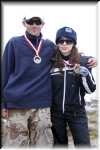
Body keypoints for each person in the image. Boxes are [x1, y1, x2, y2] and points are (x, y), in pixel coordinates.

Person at [1, 16, 97, 147]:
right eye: (30, 22)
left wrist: (88, 60)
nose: (34, 25)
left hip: (44, 106)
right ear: (24, 23)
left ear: (43, 24)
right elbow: (4, 73)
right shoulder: (14, 43)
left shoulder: (49, 46)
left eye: (38, 22)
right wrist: (3, 104)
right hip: (18, 104)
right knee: (15, 145)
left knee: (45, 145)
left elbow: (68, 54)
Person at [50, 26, 96, 147]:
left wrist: (84, 73)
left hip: (77, 112)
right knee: (59, 145)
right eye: (61, 41)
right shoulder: (51, 62)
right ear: (57, 43)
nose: (64, 44)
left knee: (83, 145)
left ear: (74, 43)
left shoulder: (84, 62)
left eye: (68, 41)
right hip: (56, 113)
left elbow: (90, 89)